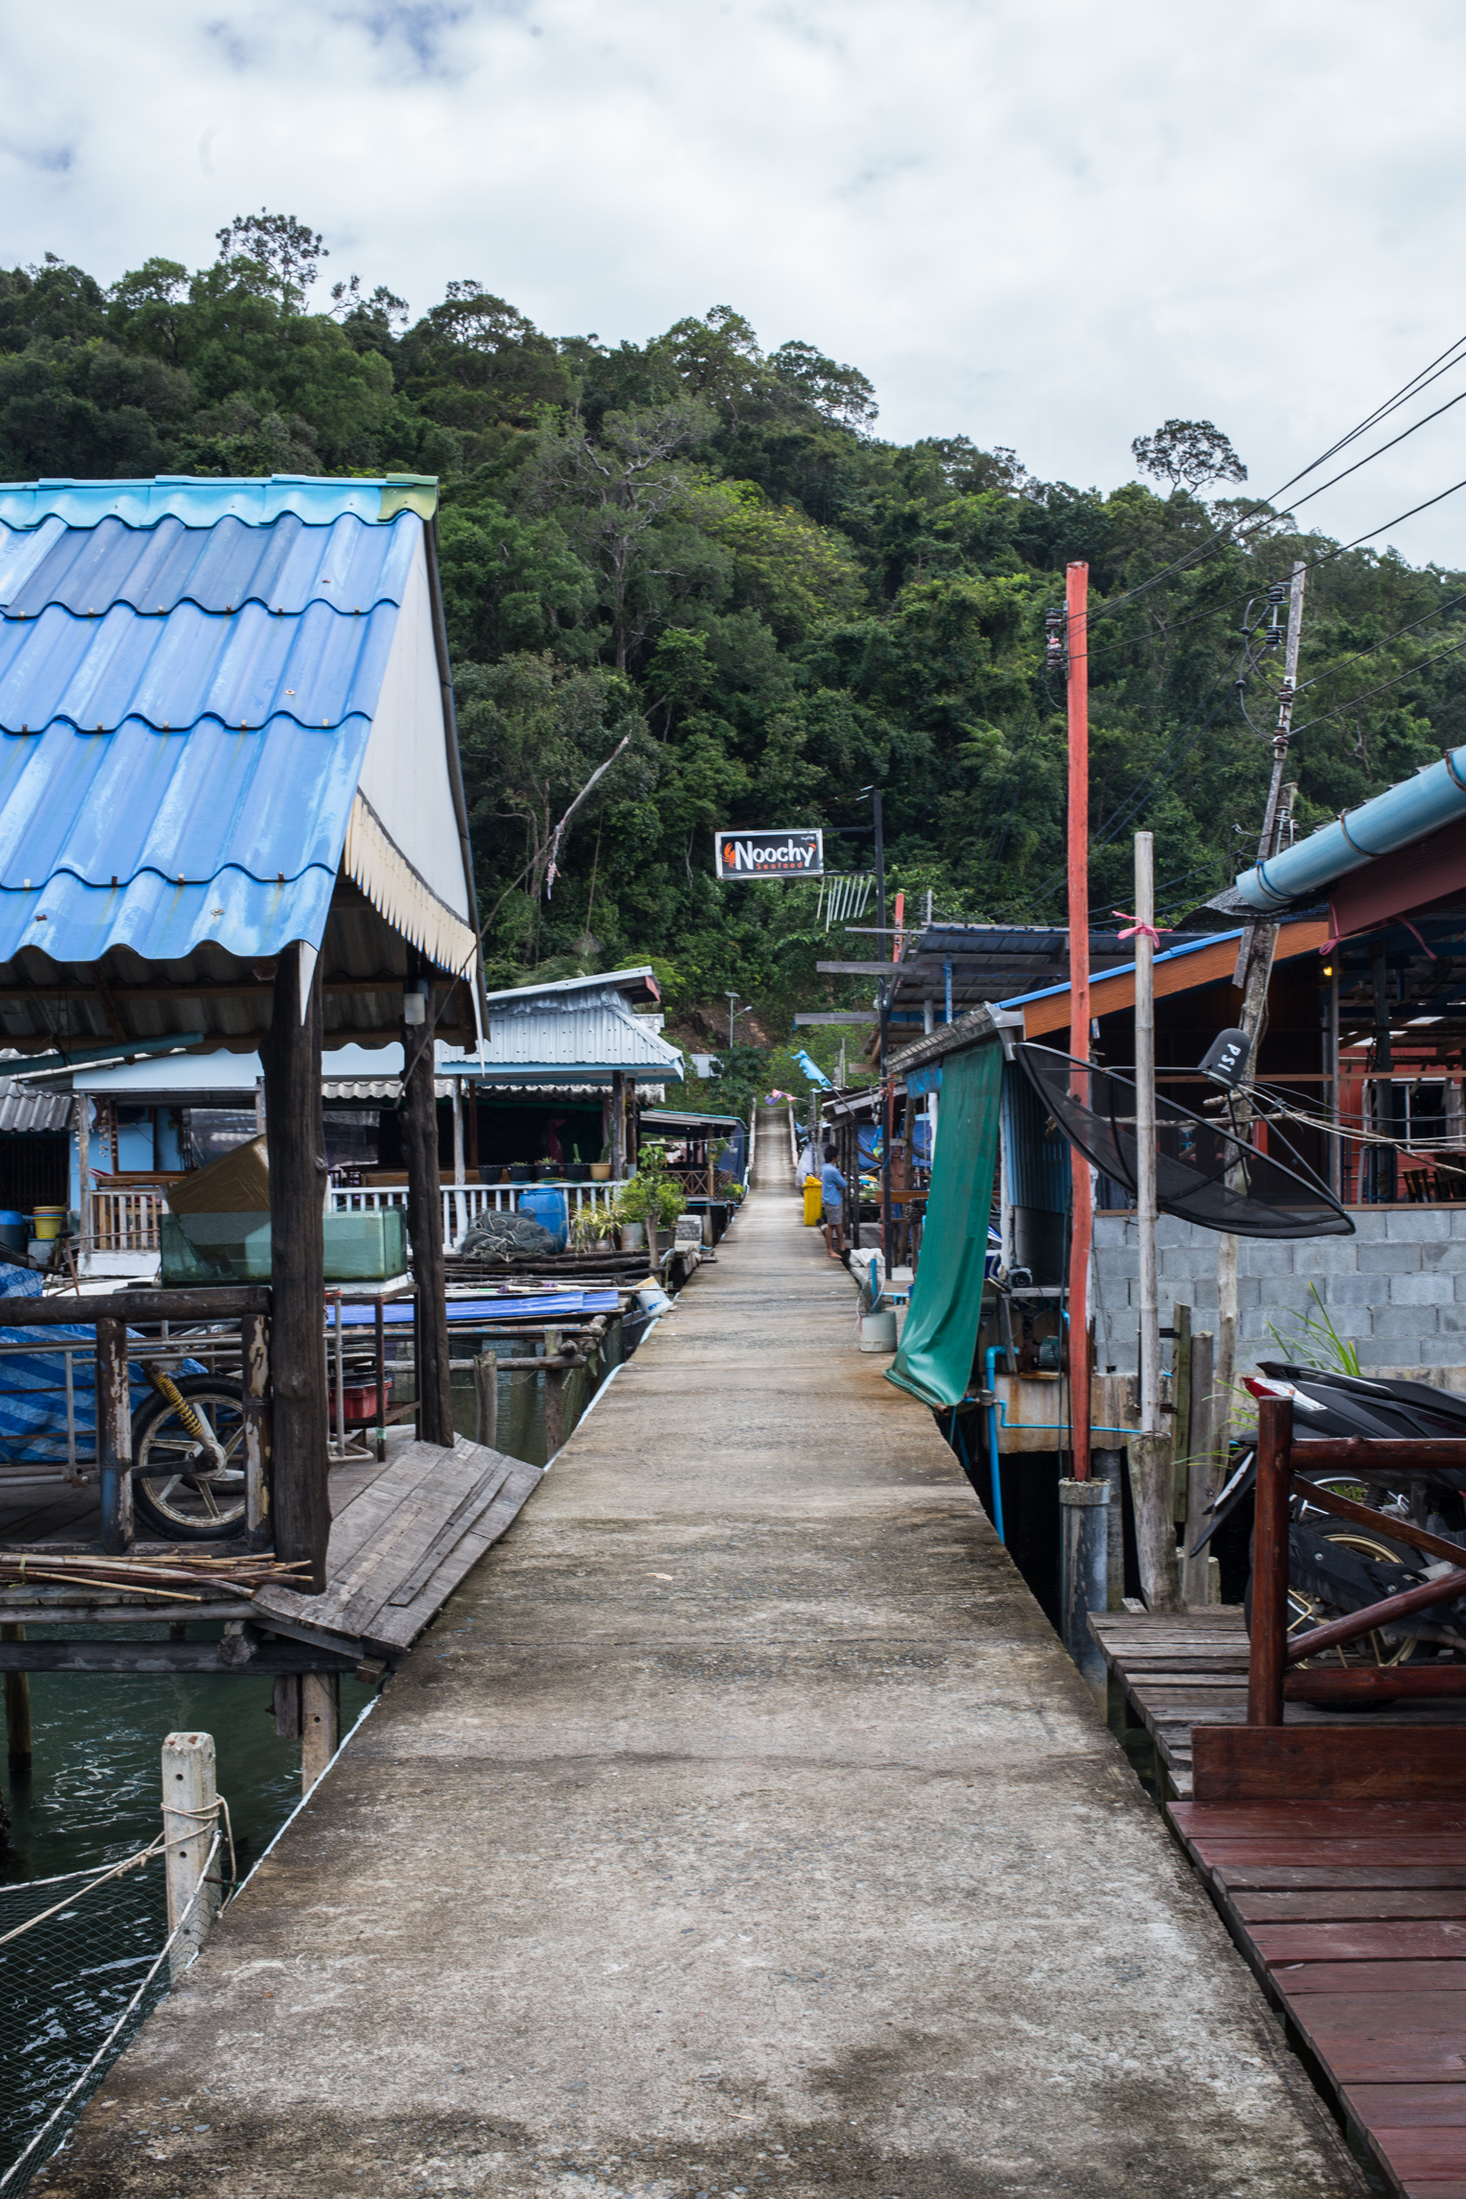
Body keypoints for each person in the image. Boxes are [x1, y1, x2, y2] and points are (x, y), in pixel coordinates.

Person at [819, 1143, 848, 1261]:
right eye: (838, 1155)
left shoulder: (825, 1167)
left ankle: (842, 1244)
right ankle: (830, 1250)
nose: (839, 1157)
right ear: (834, 1157)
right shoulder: (832, 1170)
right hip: (833, 1200)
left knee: (838, 1222)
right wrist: (839, 1185)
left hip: (829, 1198)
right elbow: (844, 1184)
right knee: (831, 1225)